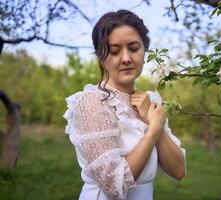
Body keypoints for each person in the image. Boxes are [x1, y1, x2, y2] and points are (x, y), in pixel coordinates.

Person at [63, 9, 186, 200]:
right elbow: (114, 185)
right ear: (101, 57)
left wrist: (154, 122)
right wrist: (153, 130)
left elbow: (178, 171)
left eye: (134, 48)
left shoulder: (151, 101)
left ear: (144, 51)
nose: (127, 58)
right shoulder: (93, 102)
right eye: (114, 51)